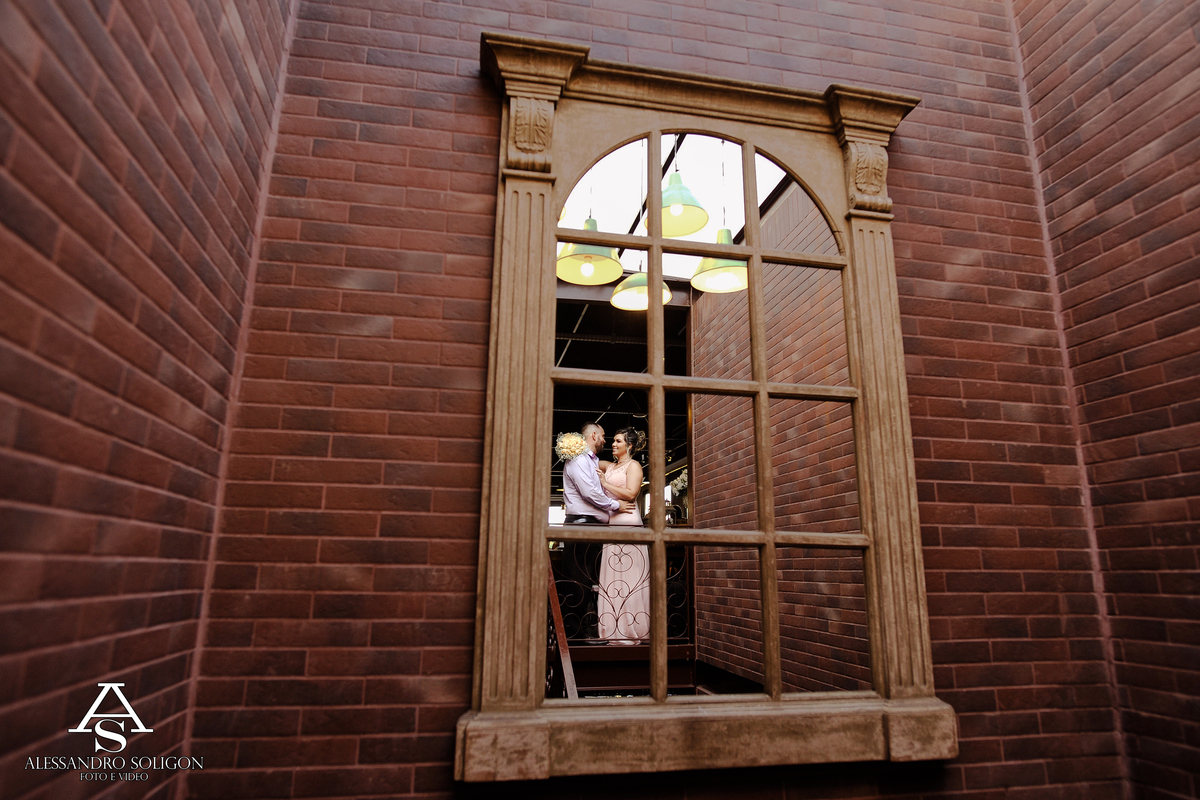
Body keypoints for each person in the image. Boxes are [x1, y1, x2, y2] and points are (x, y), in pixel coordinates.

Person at [561, 423, 633, 640]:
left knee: (593, 580)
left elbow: (599, 489)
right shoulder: (578, 459)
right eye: (603, 436)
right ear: (593, 435)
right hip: (582, 526)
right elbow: (589, 493)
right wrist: (615, 506)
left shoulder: (590, 461)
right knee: (578, 582)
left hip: (594, 527)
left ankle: (590, 629)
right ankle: (574, 637)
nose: (605, 440)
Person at [596, 428, 650, 644]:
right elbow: (590, 458)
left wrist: (605, 484)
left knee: (630, 576)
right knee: (613, 578)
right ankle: (612, 628)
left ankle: (632, 628)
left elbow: (631, 493)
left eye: (618, 441)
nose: (613, 444)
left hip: (628, 522)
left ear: (629, 445)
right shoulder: (610, 466)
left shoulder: (634, 466)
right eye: (613, 440)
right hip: (613, 524)